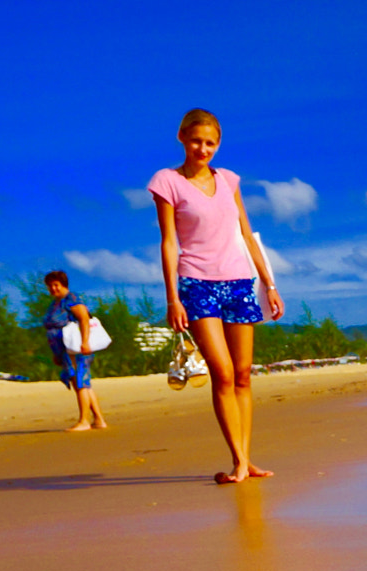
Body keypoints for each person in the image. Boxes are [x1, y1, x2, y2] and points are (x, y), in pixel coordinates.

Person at [148, 108, 285, 484]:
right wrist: (172, 298)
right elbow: (169, 242)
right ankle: (239, 461)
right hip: (196, 284)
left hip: (240, 282)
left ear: (219, 144)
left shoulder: (229, 180)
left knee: (243, 374)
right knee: (222, 372)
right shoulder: (167, 181)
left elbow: (246, 232)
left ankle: (246, 459)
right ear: (181, 138)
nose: (202, 149)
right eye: (196, 141)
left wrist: (269, 284)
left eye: (210, 143)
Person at [41, 270, 107, 431]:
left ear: (63, 284)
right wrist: (56, 354)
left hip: (76, 349)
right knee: (83, 383)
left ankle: (84, 420)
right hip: (65, 351)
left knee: (80, 383)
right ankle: (98, 420)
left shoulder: (72, 299)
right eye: (50, 286)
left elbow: (84, 319)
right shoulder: (56, 302)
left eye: (55, 285)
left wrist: (84, 343)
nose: (53, 288)